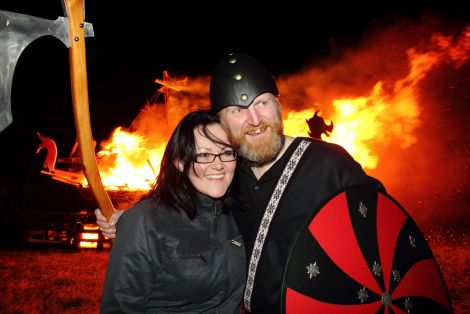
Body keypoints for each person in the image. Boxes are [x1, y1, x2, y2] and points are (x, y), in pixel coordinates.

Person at [97, 53, 384, 313]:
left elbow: (382, 228)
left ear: (278, 104)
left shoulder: (328, 163)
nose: (255, 119)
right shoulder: (231, 169)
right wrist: (133, 219)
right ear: (222, 121)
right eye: (237, 109)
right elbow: (183, 198)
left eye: (262, 103)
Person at [99, 110, 246, 313]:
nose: (218, 164)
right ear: (180, 162)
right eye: (204, 155)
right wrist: (131, 222)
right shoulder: (144, 222)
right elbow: (120, 308)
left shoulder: (239, 213)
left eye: (227, 152)